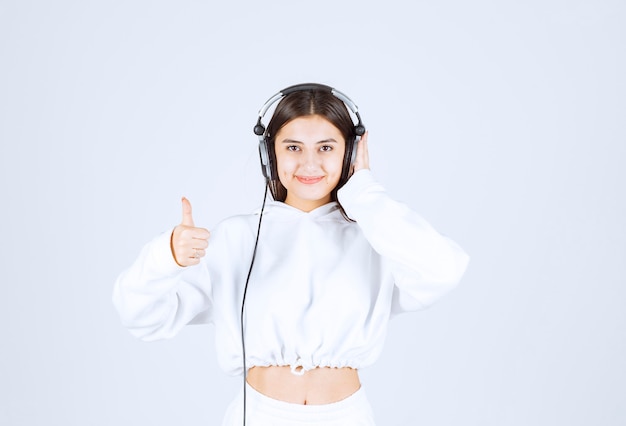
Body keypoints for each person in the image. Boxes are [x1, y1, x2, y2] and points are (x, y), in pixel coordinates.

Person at [113, 83, 469, 425]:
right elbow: (141, 316)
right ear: (271, 154)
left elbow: (444, 270)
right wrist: (166, 258)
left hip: (345, 417)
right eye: (294, 148)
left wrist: (365, 194)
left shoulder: (377, 236)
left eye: (326, 148)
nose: (309, 164)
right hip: (259, 416)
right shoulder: (236, 238)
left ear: (351, 152)